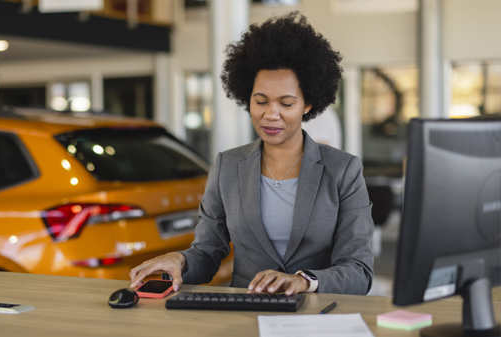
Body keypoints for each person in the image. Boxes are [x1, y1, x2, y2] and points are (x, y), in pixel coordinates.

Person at [130, 11, 374, 296]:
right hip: (246, 312)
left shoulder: (342, 170)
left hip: (317, 312)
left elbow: (359, 270)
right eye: (261, 101)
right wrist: (180, 260)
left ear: (307, 104)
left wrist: (305, 281)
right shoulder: (227, 166)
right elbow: (208, 253)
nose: (271, 114)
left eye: (286, 103)